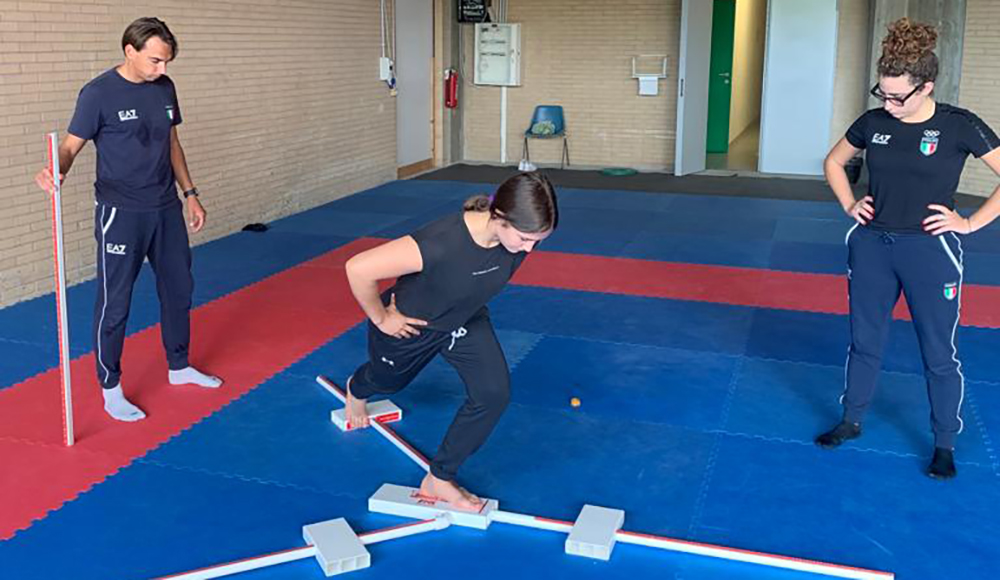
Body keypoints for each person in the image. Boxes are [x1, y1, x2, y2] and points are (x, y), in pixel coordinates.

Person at [816, 18, 1000, 479]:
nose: (890, 103)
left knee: (939, 352)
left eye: (899, 95)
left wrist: (971, 222)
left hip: (930, 252)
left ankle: (944, 443)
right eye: (884, 93)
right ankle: (851, 419)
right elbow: (834, 161)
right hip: (873, 246)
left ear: (926, 87)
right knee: (864, 340)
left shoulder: (959, 126)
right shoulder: (873, 122)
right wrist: (848, 202)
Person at [35, 17, 222, 423]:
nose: (163, 70)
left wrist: (190, 195)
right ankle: (111, 388)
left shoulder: (165, 88)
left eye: (167, 62)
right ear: (130, 51)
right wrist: (56, 169)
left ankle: (178, 366)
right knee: (115, 302)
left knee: (178, 289)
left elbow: (172, 142)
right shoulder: (98, 94)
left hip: (166, 208)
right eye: (155, 61)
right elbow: (68, 147)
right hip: (120, 213)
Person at [341, 172, 558, 509]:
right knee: (387, 383)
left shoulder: (515, 238)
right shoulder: (441, 241)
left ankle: (439, 478)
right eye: (526, 238)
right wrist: (383, 319)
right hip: (412, 327)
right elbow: (358, 268)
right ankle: (356, 388)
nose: (530, 249)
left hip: (463, 320)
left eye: (539, 240)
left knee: (493, 394)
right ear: (498, 217)